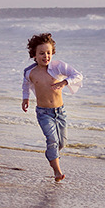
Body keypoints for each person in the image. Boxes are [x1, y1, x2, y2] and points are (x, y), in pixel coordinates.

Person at [21, 33, 83, 181]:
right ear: (34, 55)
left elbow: (78, 75)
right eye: (42, 53)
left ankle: (51, 154)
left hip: (60, 111)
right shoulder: (30, 72)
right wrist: (25, 99)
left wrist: (65, 82)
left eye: (49, 53)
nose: (46, 56)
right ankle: (57, 172)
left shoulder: (57, 67)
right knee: (52, 139)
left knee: (61, 142)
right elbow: (25, 85)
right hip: (43, 113)